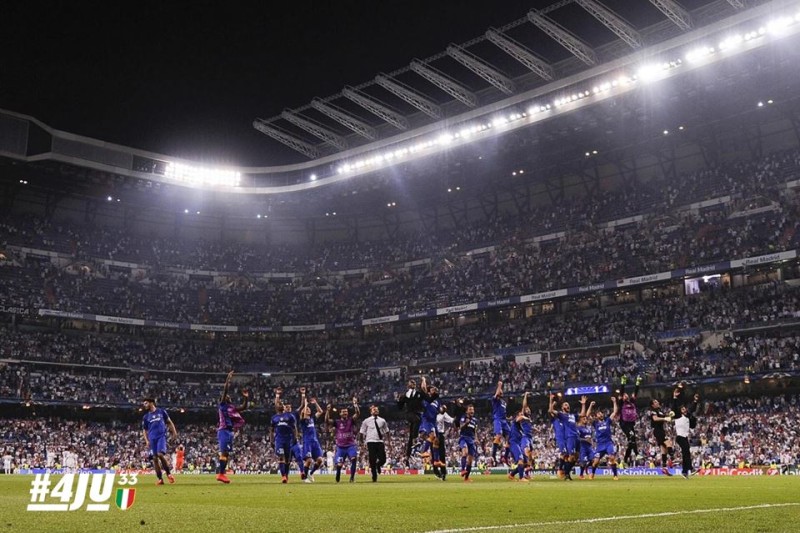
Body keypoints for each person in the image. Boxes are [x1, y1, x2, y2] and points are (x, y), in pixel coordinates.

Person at [216, 370, 248, 484]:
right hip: (223, 430)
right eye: (226, 396)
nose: (228, 397)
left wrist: (246, 398)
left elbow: (243, 408)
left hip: (229, 431)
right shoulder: (223, 405)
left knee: (226, 453)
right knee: (224, 452)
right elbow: (225, 391)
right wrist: (227, 380)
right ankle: (221, 474)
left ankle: (222, 473)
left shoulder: (231, 407)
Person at [141, 396, 178, 485]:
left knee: (160, 454)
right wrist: (146, 440)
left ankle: (169, 474)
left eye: (146, 403)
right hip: (152, 439)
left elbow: (169, 422)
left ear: (151, 403)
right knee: (154, 459)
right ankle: (160, 479)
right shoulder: (146, 417)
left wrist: (174, 433)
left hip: (161, 437)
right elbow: (144, 430)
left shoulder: (161, 412)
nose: (144, 405)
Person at [325, 397, 360, 483]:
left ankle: (352, 478)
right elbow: (326, 421)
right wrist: (327, 411)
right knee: (339, 465)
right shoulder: (337, 422)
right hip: (341, 447)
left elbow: (357, 414)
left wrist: (355, 405)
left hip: (350, 445)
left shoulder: (350, 420)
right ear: (340, 413)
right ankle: (338, 475)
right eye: (343, 412)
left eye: (346, 412)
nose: (345, 413)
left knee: (354, 459)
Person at [270, 387, 298, 483]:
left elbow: (294, 428)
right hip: (279, 440)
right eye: (280, 404)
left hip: (288, 439)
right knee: (281, 456)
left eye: (282, 404)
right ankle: (283, 477)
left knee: (288, 460)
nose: (281, 405)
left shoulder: (289, 416)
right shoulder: (274, 418)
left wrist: (295, 437)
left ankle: (286, 475)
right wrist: (271, 440)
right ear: (277, 407)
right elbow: (271, 429)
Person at [589, 396, 619, 480]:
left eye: (601, 413)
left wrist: (614, 402)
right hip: (600, 445)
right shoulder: (595, 423)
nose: (601, 414)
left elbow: (614, 412)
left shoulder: (607, 421)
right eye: (599, 413)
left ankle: (615, 475)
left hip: (608, 443)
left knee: (612, 458)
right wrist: (591, 405)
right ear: (596, 416)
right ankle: (593, 473)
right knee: (595, 462)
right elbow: (587, 415)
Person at [672, 389, 700, 479]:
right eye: (683, 409)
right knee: (686, 453)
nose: (684, 410)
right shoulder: (677, 416)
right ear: (680, 410)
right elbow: (674, 407)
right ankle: (690, 469)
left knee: (686, 454)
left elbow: (692, 408)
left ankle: (684, 471)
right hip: (680, 437)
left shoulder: (687, 416)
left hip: (684, 437)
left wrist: (695, 401)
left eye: (685, 408)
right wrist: (675, 397)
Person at [299, 387, 324, 483]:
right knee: (308, 460)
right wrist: (305, 405)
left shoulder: (312, 419)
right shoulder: (303, 421)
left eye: (309, 409)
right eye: (307, 409)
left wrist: (315, 403)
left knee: (320, 460)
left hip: (315, 441)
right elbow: (304, 414)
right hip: (307, 441)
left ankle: (311, 473)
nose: (308, 410)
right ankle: (304, 478)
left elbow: (321, 412)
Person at [359, 404, 390, 482]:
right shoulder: (366, 421)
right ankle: (374, 475)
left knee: (383, 459)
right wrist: (362, 443)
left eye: (377, 410)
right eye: (374, 410)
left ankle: (378, 465)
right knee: (372, 459)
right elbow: (361, 432)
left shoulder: (382, 420)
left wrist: (389, 442)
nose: (376, 411)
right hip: (370, 441)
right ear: (371, 412)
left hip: (379, 441)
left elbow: (387, 431)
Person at [397, 379, 423, 466]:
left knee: (410, 437)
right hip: (409, 414)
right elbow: (400, 407)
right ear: (408, 385)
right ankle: (415, 439)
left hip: (416, 414)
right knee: (417, 420)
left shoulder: (418, 394)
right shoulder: (405, 395)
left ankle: (407, 457)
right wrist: (399, 400)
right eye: (411, 383)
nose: (413, 384)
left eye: (414, 383)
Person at [617, 375, 642, 466]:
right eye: (624, 395)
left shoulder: (632, 402)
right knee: (632, 437)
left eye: (626, 394)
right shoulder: (621, 403)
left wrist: (637, 383)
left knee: (632, 441)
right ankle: (637, 454)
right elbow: (621, 392)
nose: (625, 395)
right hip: (624, 423)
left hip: (631, 423)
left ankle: (624, 461)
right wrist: (623, 382)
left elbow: (635, 393)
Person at [507, 392, 532, 482]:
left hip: (517, 443)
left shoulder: (520, 427)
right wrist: (524, 417)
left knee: (525, 462)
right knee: (521, 459)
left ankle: (512, 474)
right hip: (514, 443)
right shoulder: (515, 421)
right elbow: (519, 418)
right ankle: (521, 478)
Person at [648, 396, 676, 476]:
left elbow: (665, 418)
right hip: (657, 430)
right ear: (653, 405)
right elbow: (655, 419)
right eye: (656, 402)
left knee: (664, 450)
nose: (658, 403)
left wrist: (669, 416)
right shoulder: (652, 411)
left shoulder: (659, 411)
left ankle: (664, 468)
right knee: (669, 444)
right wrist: (665, 419)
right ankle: (673, 459)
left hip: (661, 430)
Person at [453, 399, 478, 483]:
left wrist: (476, 439)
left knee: (470, 461)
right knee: (465, 452)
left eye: (473, 409)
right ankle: (462, 470)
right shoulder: (463, 418)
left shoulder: (475, 420)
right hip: (463, 437)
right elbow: (460, 428)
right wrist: (466, 423)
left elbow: (475, 431)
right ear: (467, 411)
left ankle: (466, 478)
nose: (472, 411)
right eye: (470, 410)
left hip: (471, 439)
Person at [418, 377, 440, 463]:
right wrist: (423, 380)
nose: (434, 390)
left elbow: (438, 410)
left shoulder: (437, 401)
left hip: (434, 421)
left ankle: (436, 460)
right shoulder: (426, 398)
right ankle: (424, 451)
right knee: (432, 435)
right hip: (427, 419)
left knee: (436, 441)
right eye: (432, 389)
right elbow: (423, 388)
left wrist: (442, 410)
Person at [491, 381, 510, 466]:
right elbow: (496, 394)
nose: (501, 391)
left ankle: (505, 457)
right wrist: (499, 385)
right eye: (499, 391)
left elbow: (503, 412)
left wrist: (508, 418)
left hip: (504, 420)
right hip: (497, 419)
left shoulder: (504, 402)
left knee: (510, 437)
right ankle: (493, 456)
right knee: (498, 435)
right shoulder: (495, 400)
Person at [434, 404, 455, 480]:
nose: (442, 409)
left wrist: (457, 416)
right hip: (433, 434)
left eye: (444, 409)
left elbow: (451, 420)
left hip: (440, 434)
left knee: (442, 454)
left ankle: (443, 473)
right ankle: (436, 472)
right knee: (434, 455)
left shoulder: (443, 415)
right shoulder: (433, 414)